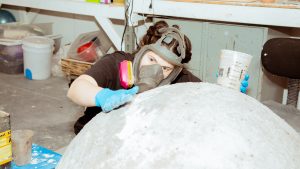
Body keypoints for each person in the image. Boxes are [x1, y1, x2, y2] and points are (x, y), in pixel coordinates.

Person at [67, 20, 248, 135]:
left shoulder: (179, 78)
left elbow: (208, 100)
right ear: (142, 50)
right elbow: (77, 88)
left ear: (175, 70)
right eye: (151, 59)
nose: (155, 70)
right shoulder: (117, 63)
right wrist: (102, 96)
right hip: (95, 135)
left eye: (165, 67)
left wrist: (228, 93)